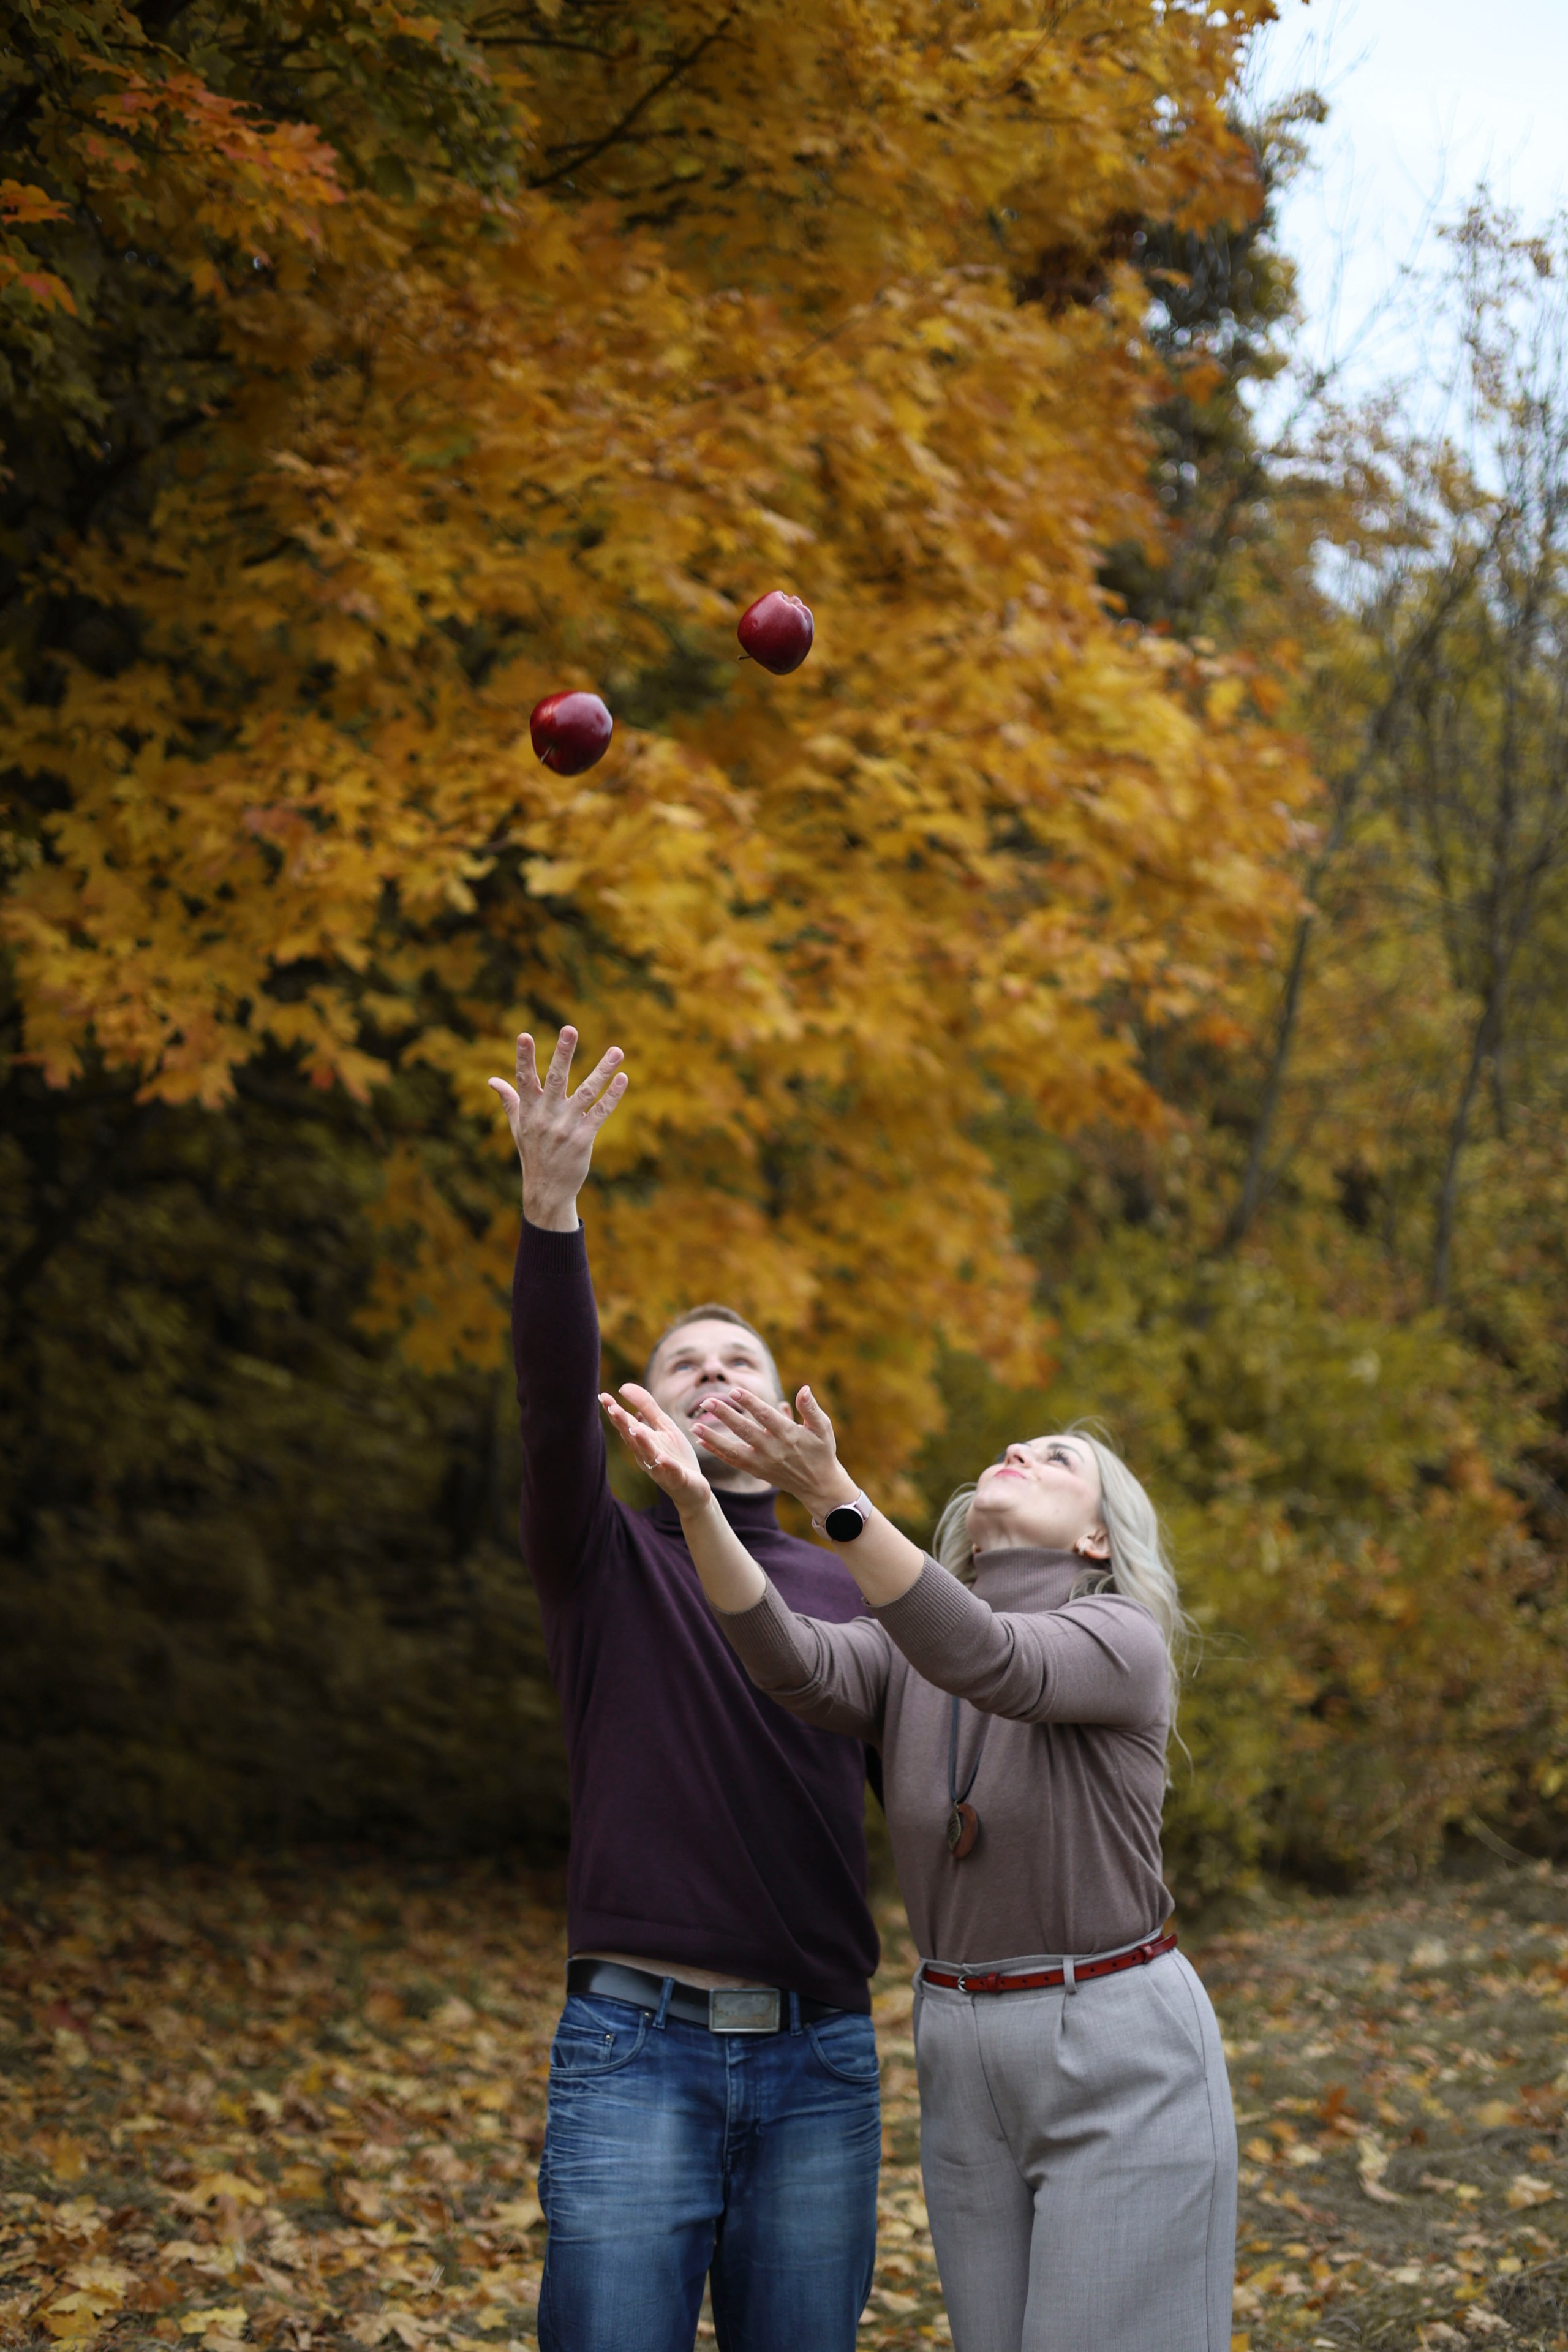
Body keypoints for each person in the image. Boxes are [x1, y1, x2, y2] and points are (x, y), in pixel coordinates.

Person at [600, 1373, 1238, 2352]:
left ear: (1098, 1539)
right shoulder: (908, 1649)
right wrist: (697, 1509)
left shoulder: (1120, 1635)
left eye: (1058, 1457)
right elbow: (789, 1660)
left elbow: (995, 1659)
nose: (1022, 1453)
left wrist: (832, 1498)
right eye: (1015, 1445)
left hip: (1118, 2046)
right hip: (958, 2043)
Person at [486, 1027, 881, 2352]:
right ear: (642, 1408)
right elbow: (548, 1408)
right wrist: (553, 1212)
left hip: (822, 2059)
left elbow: (952, 1770)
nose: (712, 1374)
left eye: (741, 1363)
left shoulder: (862, 1581)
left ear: (791, 1408)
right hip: (632, 2047)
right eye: (682, 1364)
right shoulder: (599, 1560)